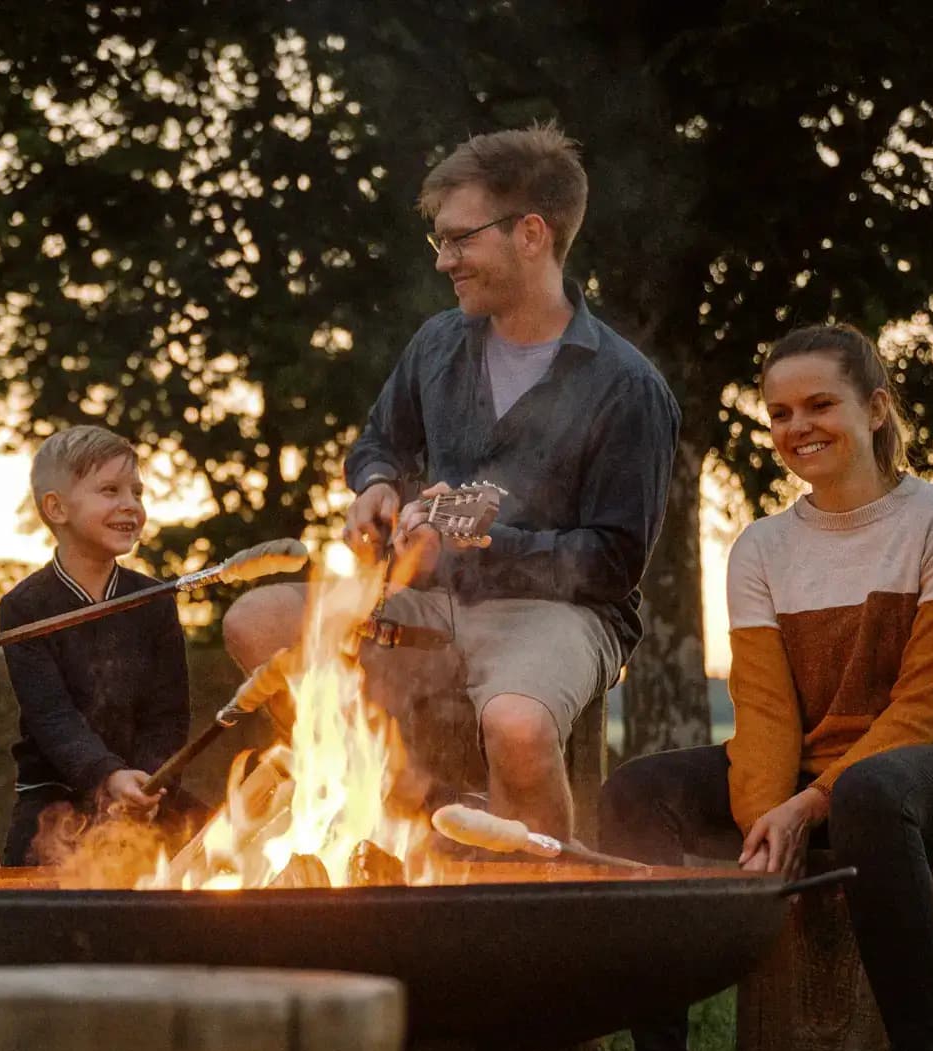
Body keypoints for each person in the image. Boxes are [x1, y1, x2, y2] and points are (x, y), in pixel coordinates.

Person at [590, 323, 933, 1051]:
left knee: (870, 791)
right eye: (779, 412)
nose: (798, 427)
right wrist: (767, 812)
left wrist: (811, 802)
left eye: (820, 404)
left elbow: (926, 710)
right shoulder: (761, 547)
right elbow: (764, 716)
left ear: (877, 408)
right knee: (636, 792)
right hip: (808, 772)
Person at [223, 122, 680, 837]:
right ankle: (408, 802)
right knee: (260, 622)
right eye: (440, 240)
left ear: (531, 233)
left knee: (520, 726)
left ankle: (537, 919)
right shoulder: (438, 343)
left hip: (558, 614)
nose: (444, 260)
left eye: (461, 239)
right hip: (430, 602)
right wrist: (375, 483)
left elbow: (614, 564)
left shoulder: (627, 387)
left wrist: (490, 543)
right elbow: (381, 440)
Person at [0, 425, 201, 866]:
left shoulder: (153, 599)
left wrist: (150, 784)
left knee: (226, 855)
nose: (130, 505)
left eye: (137, 492)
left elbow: (168, 715)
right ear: (56, 508)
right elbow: (52, 718)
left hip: (147, 793)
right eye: (110, 490)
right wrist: (106, 777)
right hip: (58, 798)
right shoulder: (24, 607)